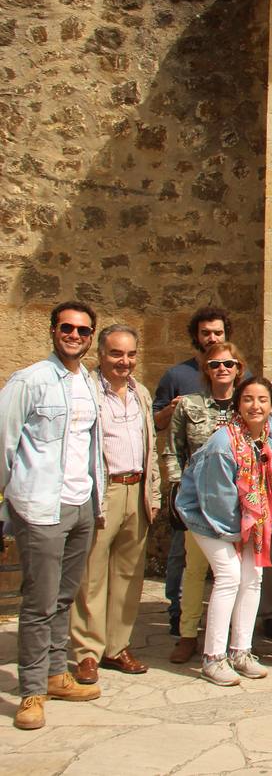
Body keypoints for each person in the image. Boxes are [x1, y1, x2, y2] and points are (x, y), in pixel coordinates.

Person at [0, 302, 104, 730]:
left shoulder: (89, 383)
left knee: (64, 596)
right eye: (68, 327)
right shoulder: (29, 381)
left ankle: (57, 673)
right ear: (53, 330)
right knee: (39, 602)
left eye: (83, 330)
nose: (75, 335)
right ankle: (31, 692)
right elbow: (4, 443)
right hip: (40, 505)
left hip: (81, 502)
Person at [175, 377, 272, 685]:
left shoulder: (268, 435)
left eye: (262, 399)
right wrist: (236, 536)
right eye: (248, 399)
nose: (255, 405)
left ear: (271, 405)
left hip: (249, 518)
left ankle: (240, 651)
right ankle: (213, 657)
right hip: (209, 519)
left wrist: (251, 529)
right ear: (237, 404)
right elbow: (216, 500)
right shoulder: (224, 444)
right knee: (229, 576)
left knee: (254, 576)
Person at [70, 325, 158, 685]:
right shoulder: (87, 391)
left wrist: (151, 493)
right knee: (91, 576)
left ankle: (117, 647)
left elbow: (149, 444)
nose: (125, 362)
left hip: (135, 489)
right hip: (103, 491)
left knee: (128, 574)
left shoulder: (141, 393)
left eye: (131, 354)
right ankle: (87, 653)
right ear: (101, 355)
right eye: (116, 354)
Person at [163, 341, 247, 666]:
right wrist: (174, 491)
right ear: (206, 370)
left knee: (237, 574)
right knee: (195, 570)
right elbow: (173, 449)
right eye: (215, 365)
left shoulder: (248, 404)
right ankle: (188, 634)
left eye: (228, 364)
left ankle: (230, 637)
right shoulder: (189, 406)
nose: (222, 369)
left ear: (238, 368)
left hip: (238, 503)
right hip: (198, 503)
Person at [153, 305, 233, 638]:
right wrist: (174, 489)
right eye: (206, 333)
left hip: (230, 493)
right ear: (196, 337)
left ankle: (220, 622)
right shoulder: (177, 376)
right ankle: (179, 616)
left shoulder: (238, 386)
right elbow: (161, 430)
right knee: (183, 560)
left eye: (217, 332)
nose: (212, 338)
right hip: (192, 492)